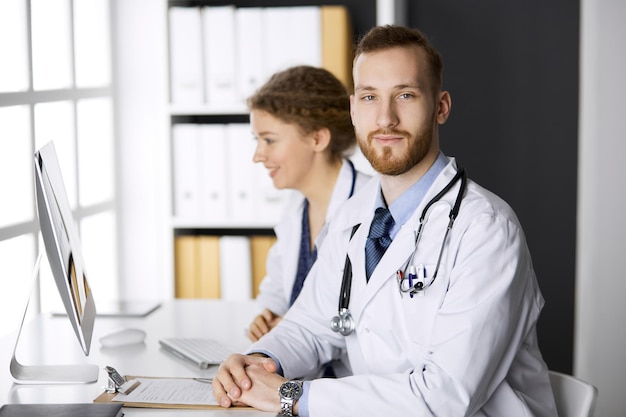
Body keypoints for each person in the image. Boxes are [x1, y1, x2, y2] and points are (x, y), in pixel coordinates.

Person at [213, 25, 558, 417]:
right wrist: (257, 363)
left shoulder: (486, 230)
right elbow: (309, 325)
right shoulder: (353, 216)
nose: (385, 118)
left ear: (441, 107)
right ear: (353, 110)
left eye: (405, 95)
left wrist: (292, 396)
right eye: (370, 97)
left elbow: (442, 398)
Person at [246, 65, 370, 342]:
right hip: (296, 369)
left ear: (317, 139)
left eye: (269, 140)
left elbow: (371, 319)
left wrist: (294, 329)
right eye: (257, 140)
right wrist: (268, 314)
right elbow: (278, 287)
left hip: (347, 379)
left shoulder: (374, 208)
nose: (258, 155)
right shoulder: (296, 207)